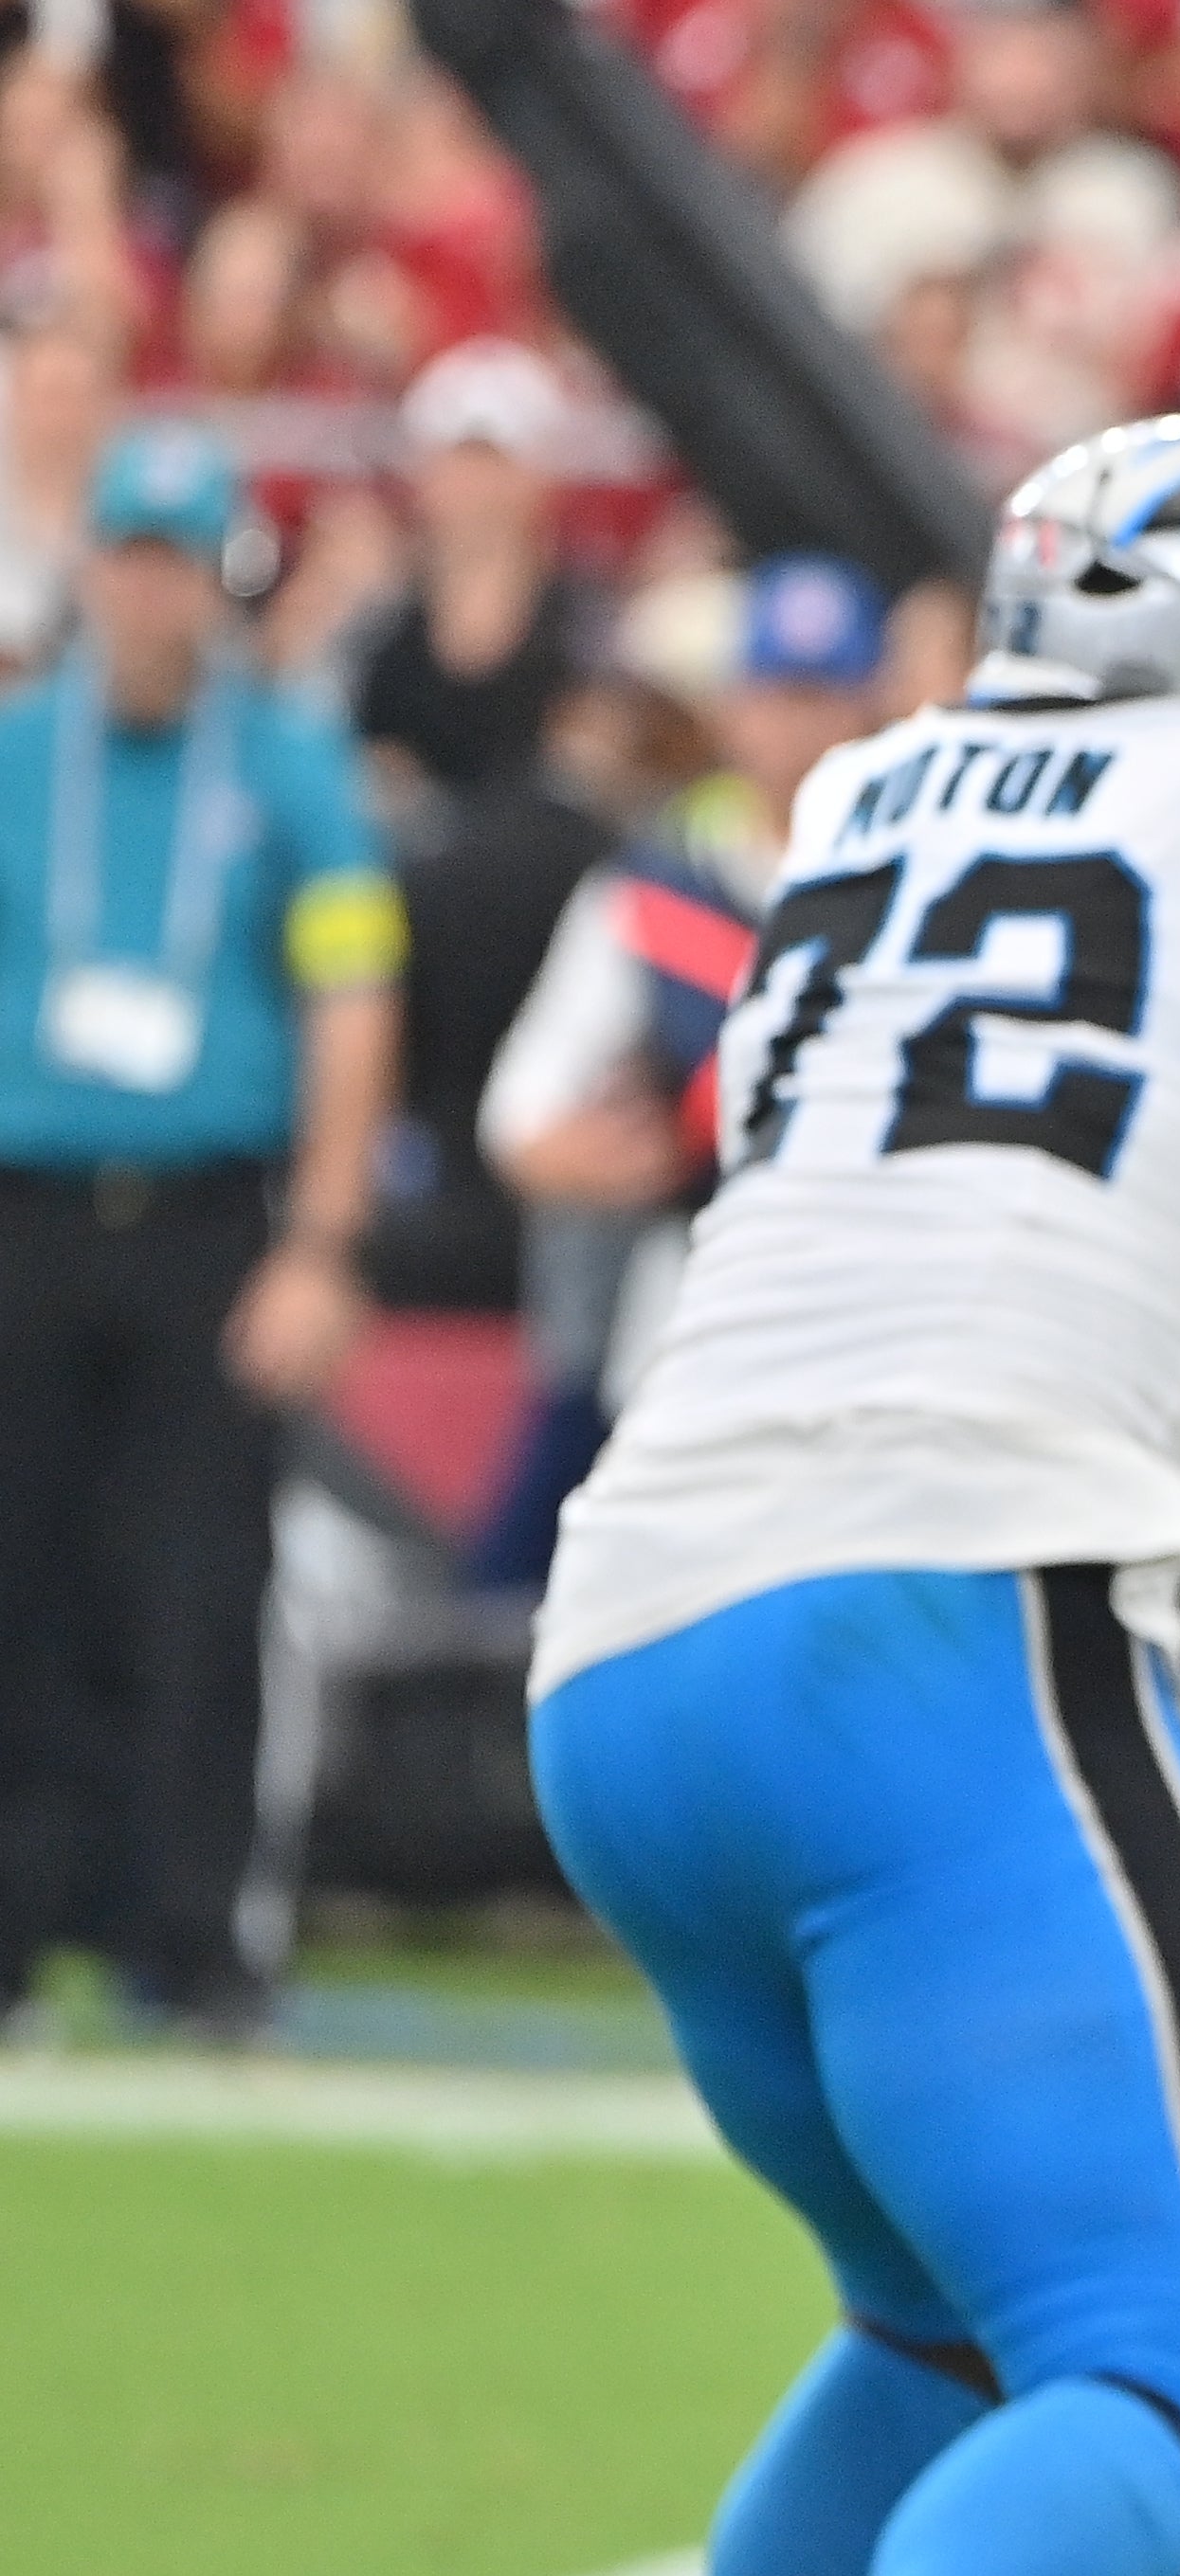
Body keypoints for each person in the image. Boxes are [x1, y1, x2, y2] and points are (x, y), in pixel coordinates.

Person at [521, 418, 1180, 2576]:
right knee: (1167, 2401)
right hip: (945, 1610)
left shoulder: (856, 794)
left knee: (951, 2343)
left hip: (622, 1646)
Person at [0, 423, 401, 2039]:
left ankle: (192, 1927)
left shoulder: (289, 763)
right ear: (94, 566)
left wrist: (322, 1235)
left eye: (183, 565)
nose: (155, 595)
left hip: (209, 1216)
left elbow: (352, 995)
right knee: (17, 1568)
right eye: (133, 559)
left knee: (197, 1581)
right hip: (30, 1202)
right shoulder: (26, 748)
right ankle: (19, 1916)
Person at [475, 555, 889, 1575]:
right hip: (686, 1291)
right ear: (733, 710)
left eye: (821, 699)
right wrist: (589, 1157)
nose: (793, 731)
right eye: (773, 697)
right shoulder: (659, 898)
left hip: (864, 1305)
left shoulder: (914, 893)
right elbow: (520, 1112)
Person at [351, 338, 598, 815]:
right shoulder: (378, 628)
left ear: (539, 475)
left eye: (495, 461)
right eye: (460, 459)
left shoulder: (583, 629)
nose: (476, 486)